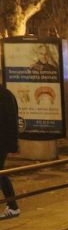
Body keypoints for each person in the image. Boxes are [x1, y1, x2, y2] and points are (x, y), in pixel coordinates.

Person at [0, 85, 20, 219]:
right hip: (5, 141)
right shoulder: (6, 94)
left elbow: (7, 121)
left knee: (1, 173)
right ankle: (12, 205)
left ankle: (13, 206)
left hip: (2, 141)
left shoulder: (4, 96)